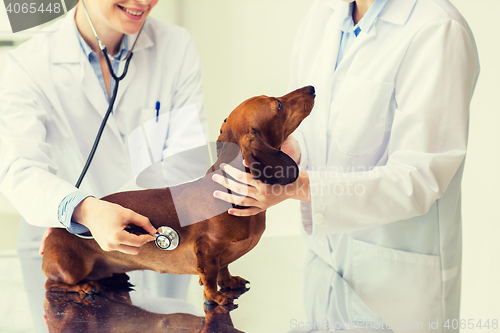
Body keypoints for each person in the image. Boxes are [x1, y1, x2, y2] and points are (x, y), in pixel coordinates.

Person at [212, 0, 479, 331]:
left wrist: (295, 187)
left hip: (396, 285)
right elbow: (319, 132)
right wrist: (286, 154)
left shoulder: (438, 29)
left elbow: (419, 179)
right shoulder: (322, 16)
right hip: (323, 266)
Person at [0, 0, 209, 331]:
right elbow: (18, 167)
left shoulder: (176, 46)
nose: (144, 2)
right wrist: (80, 210)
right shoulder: (29, 62)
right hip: (67, 241)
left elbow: (189, 163)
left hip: (156, 238)